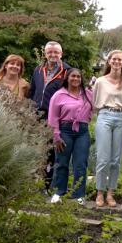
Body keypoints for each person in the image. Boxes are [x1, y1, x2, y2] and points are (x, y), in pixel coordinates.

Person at [92, 50, 122, 208]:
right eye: (114, 59)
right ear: (109, 61)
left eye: (120, 60)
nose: (117, 62)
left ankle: (110, 193)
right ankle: (99, 192)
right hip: (104, 116)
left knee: (115, 160)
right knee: (103, 158)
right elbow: (95, 102)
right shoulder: (100, 81)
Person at [28, 41, 71, 192]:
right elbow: (32, 91)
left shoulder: (67, 72)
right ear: (45, 54)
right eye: (49, 52)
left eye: (56, 52)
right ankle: (34, 184)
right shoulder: (38, 70)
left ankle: (48, 186)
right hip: (36, 116)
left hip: (56, 117)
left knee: (52, 152)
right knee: (37, 150)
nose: (53, 55)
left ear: (61, 54)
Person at [47, 69, 93, 205]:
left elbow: (94, 108)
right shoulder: (59, 95)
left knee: (80, 163)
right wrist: (56, 135)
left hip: (82, 132)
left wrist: (87, 118)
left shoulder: (88, 94)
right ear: (67, 78)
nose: (76, 79)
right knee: (62, 162)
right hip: (64, 131)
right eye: (73, 76)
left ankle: (79, 195)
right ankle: (58, 192)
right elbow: (52, 117)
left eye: (79, 76)